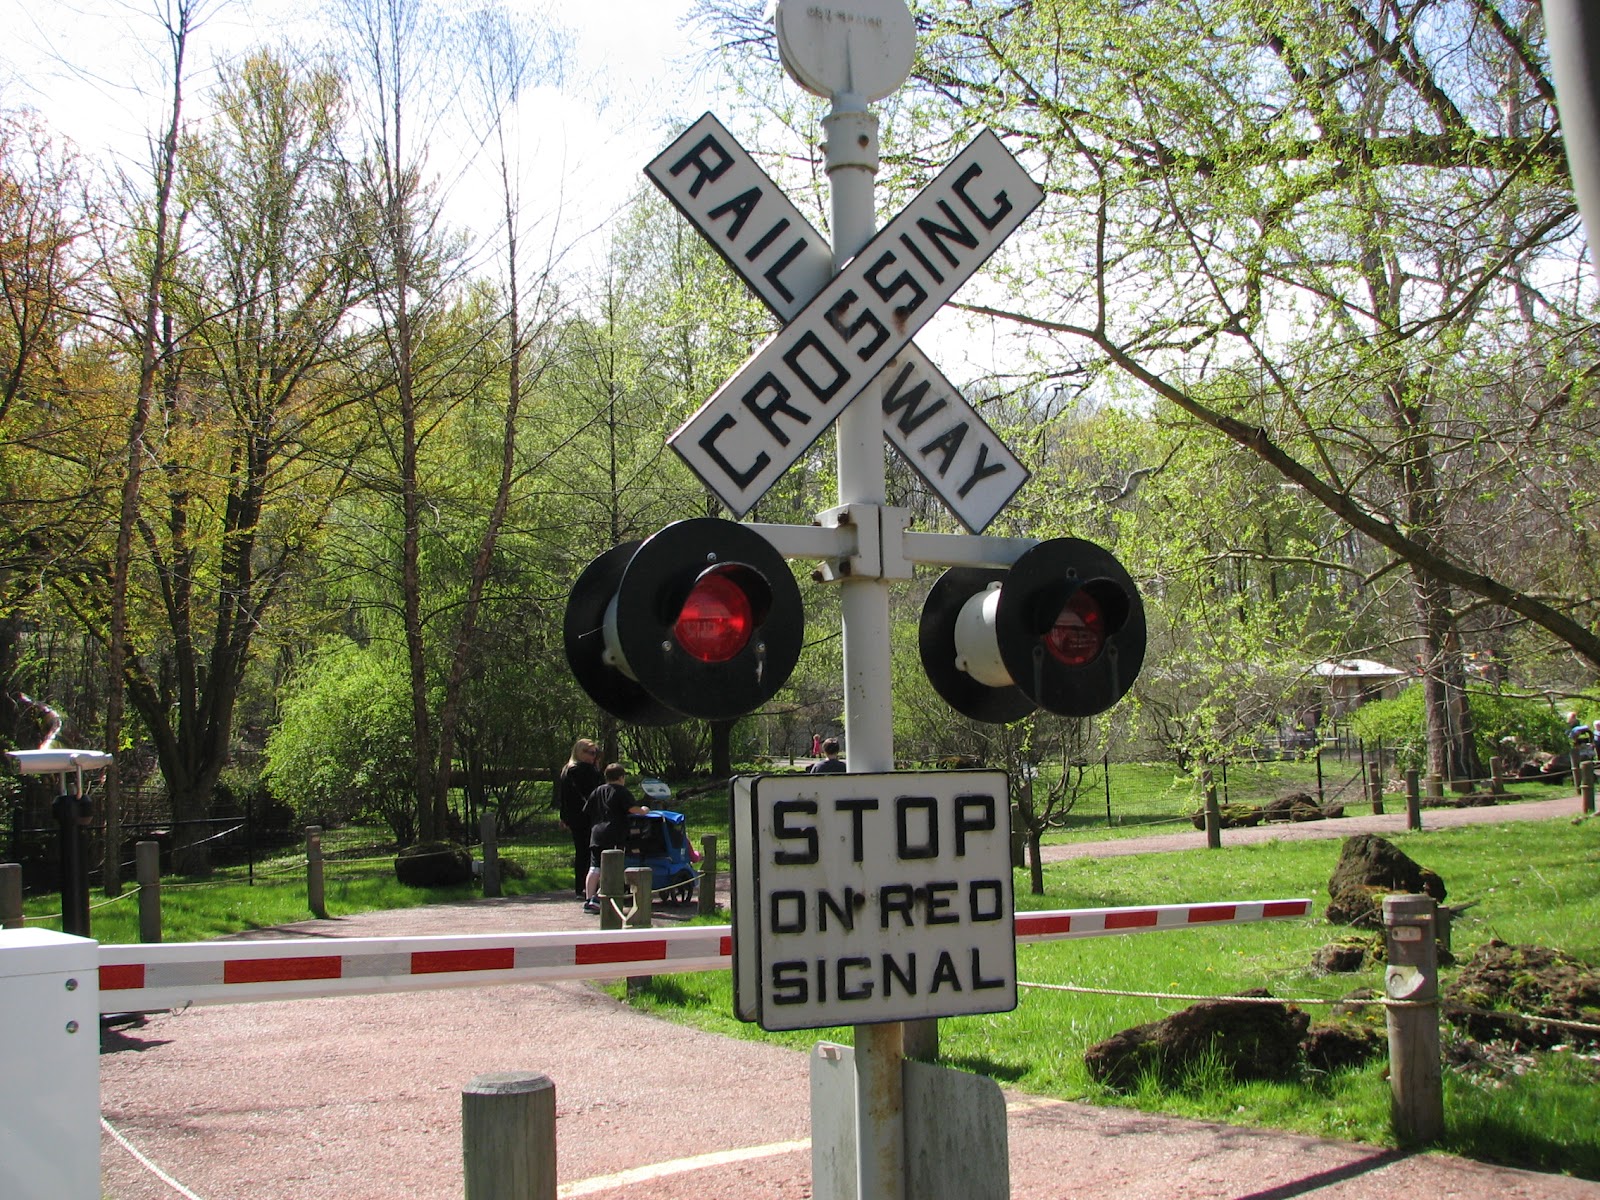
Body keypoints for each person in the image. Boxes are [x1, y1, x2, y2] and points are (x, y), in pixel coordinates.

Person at [583, 762, 648, 914]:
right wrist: (644, 810)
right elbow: (632, 809)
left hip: (596, 833)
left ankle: (588, 898)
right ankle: (598, 898)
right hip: (614, 833)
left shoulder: (598, 791)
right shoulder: (621, 791)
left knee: (595, 867)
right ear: (621, 777)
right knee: (612, 867)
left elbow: (587, 810)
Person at [555, 739, 602, 899]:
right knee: (590, 851)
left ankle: (581, 886)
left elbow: (563, 798)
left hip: (575, 817)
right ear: (580, 752)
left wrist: (564, 817)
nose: (593, 757)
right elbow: (595, 792)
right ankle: (588, 887)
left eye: (595, 754)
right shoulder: (584, 770)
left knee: (581, 851)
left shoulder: (567, 769)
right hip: (587, 816)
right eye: (591, 753)